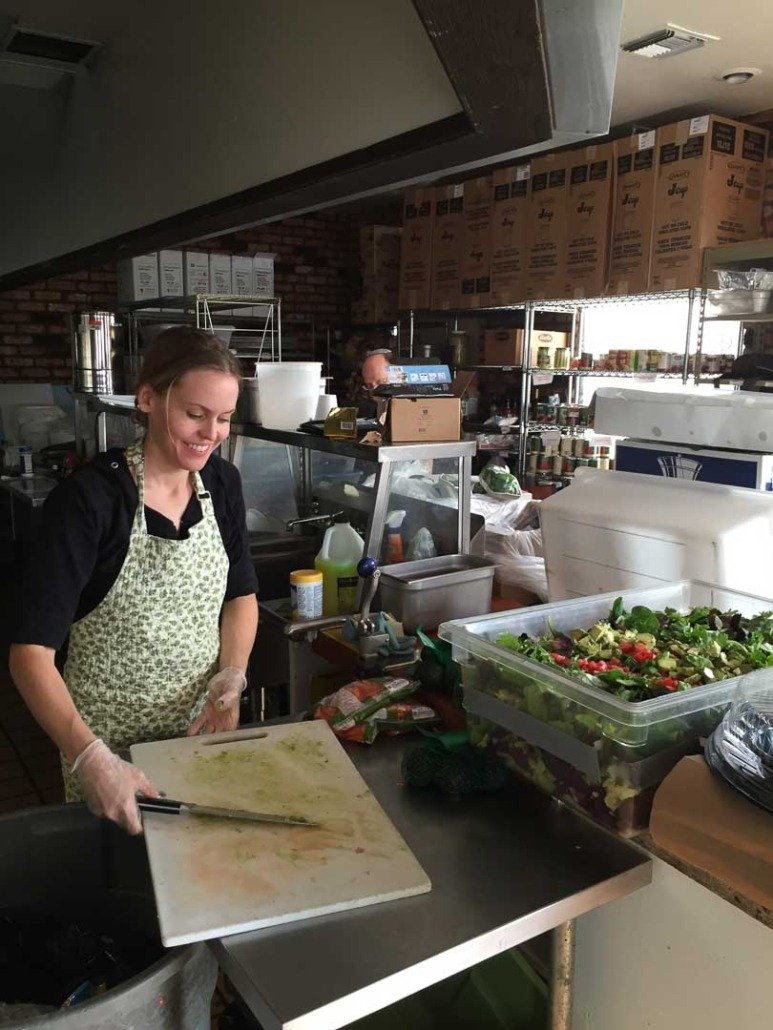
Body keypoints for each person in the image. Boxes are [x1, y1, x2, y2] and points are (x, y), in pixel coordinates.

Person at [9, 327, 259, 836]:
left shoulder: (223, 484)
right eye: (195, 413)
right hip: (104, 749)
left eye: (225, 418)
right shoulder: (90, 501)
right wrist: (89, 759)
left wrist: (231, 673)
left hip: (195, 734)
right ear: (148, 397)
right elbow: (29, 654)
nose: (210, 433)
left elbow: (241, 596)